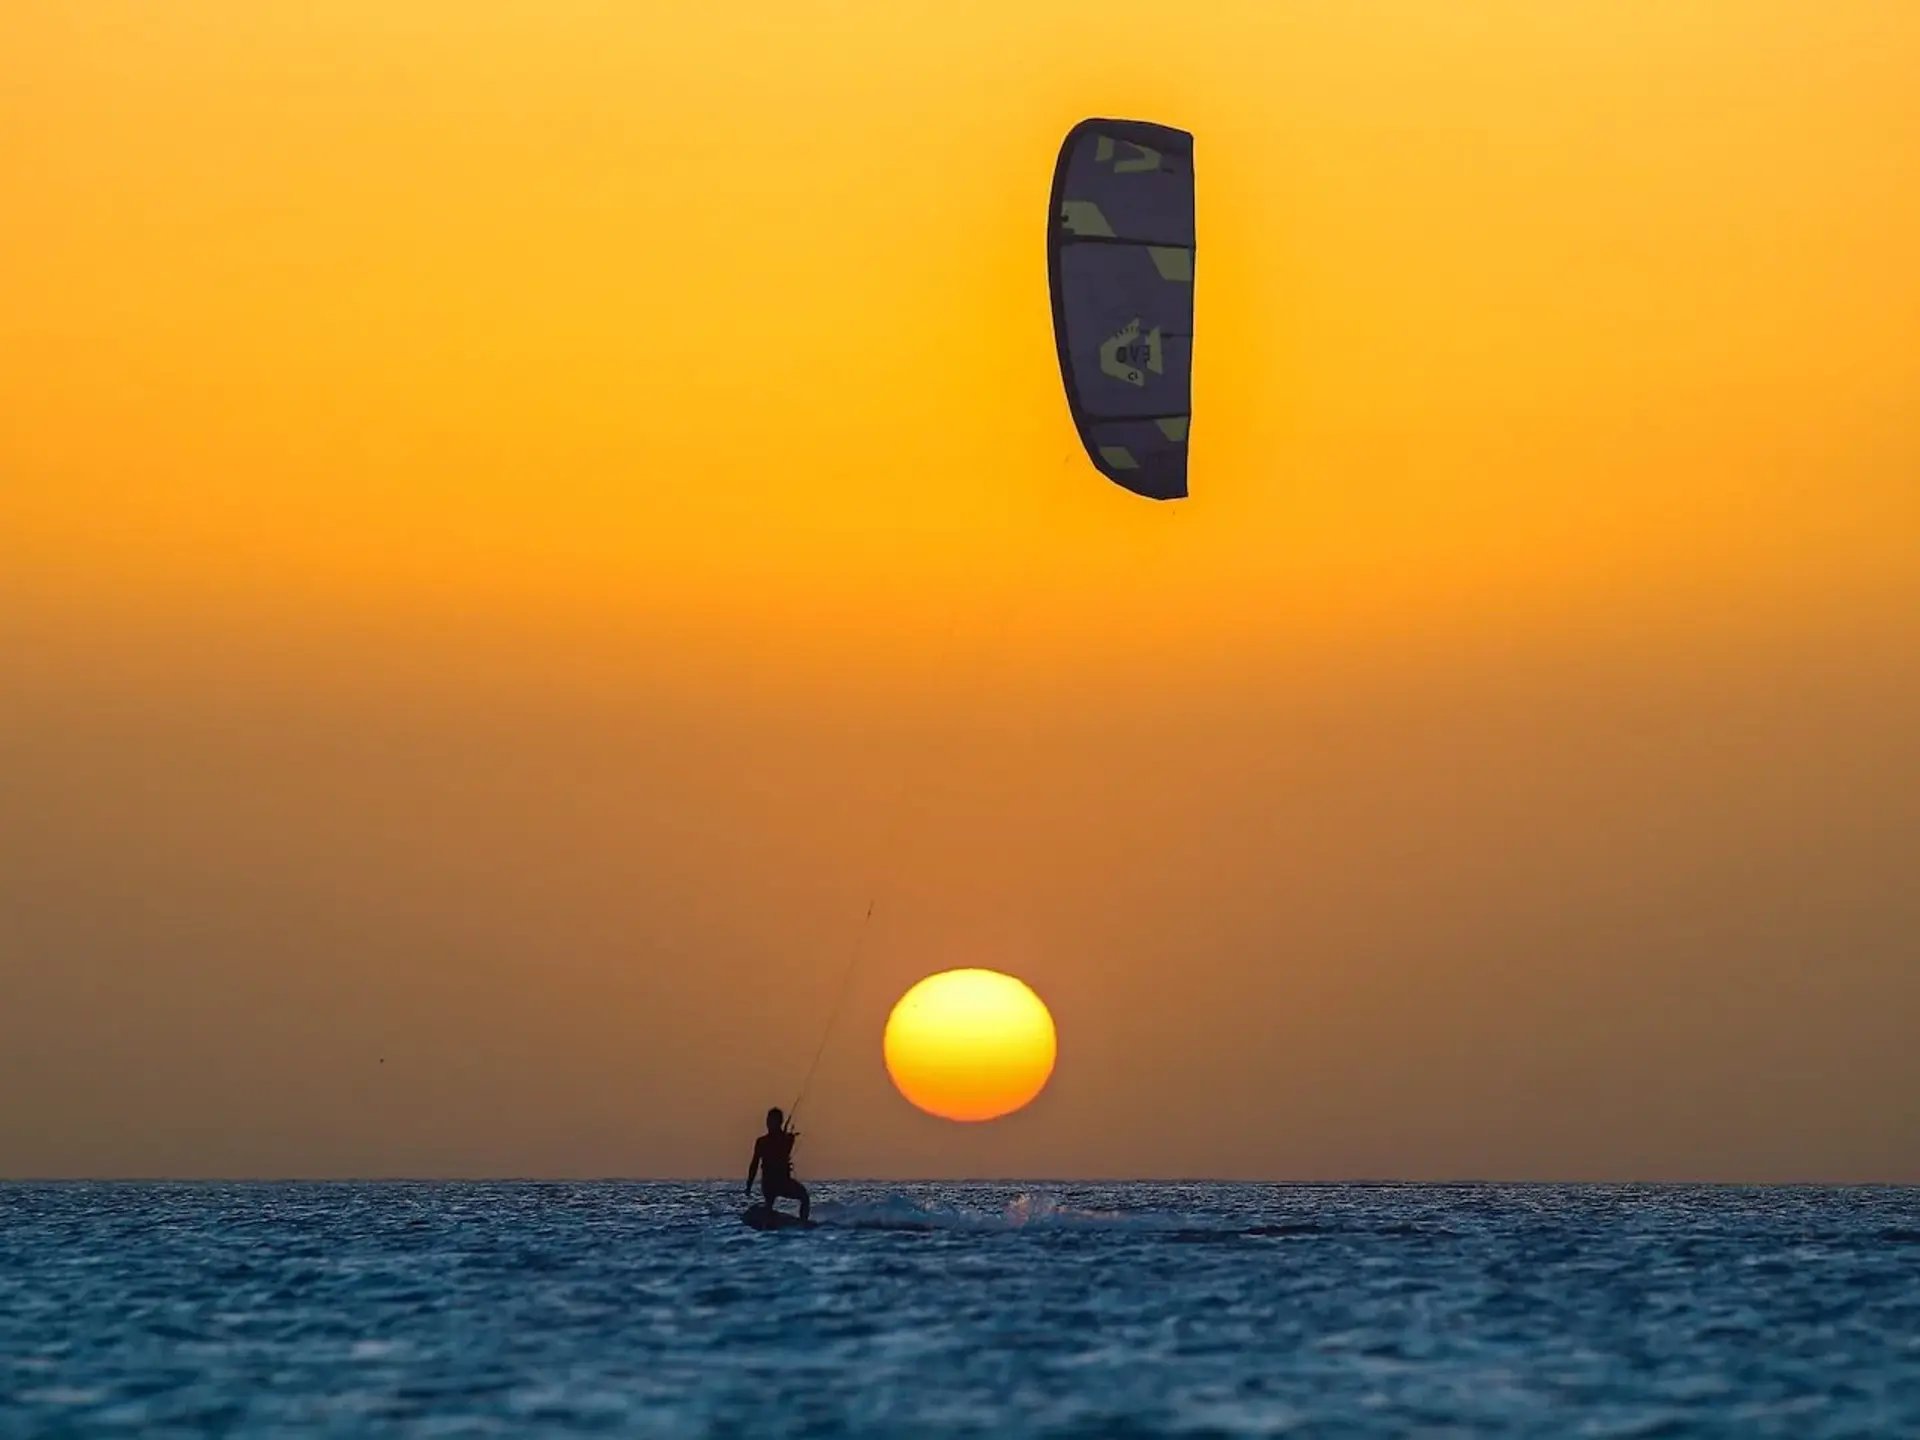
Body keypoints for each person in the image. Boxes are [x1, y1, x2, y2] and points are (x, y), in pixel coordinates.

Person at [745, 1107, 810, 1221]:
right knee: (769, 1202)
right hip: (769, 1183)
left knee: (804, 1197)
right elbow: (754, 1164)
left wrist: (787, 1137)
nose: (768, 1123)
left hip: (783, 1182)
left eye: (772, 1121)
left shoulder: (787, 1139)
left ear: (779, 1122)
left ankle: (803, 1222)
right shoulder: (763, 1141)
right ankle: (768, 1215)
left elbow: (786, 1150)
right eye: (768, 1120)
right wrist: (749, 1185)